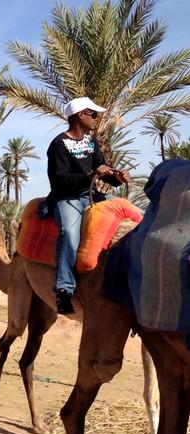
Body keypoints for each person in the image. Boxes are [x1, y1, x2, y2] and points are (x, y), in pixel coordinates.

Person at [47, 97, 128, 314]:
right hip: (67, 198)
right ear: (80, 115)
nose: (96, 118)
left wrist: (116, 177)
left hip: (91, 194)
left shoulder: (90, 142)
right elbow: (59, 180)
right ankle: (64, 290)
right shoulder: (58, 144)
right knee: (69, 233)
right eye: (93, 114)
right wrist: (90, 175)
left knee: (132, 213)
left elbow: (102, 168)